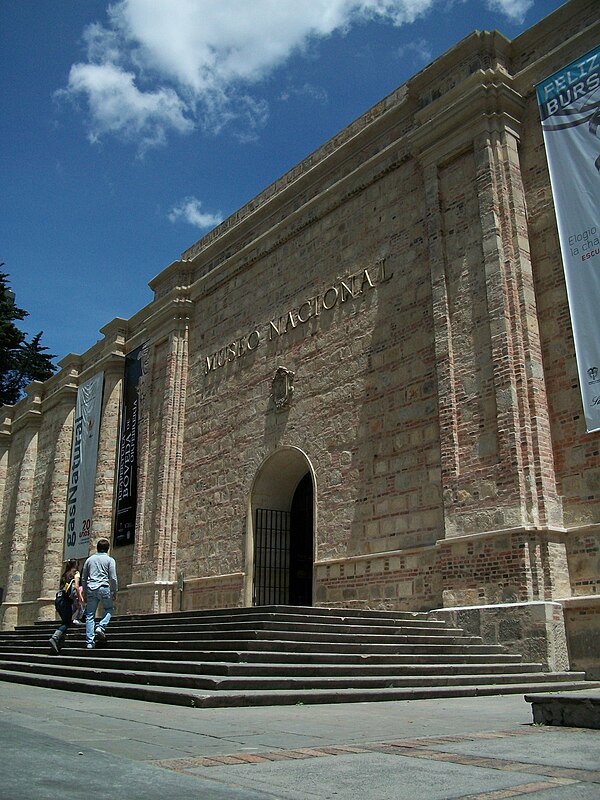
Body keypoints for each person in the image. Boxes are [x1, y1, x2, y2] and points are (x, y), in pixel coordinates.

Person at [81, 538, 118, 650]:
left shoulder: (89, 560)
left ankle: (90, 642)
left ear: (97, 548)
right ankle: (101, 627)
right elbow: (113, 577)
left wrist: (85, 592)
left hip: (91, 588)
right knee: (109, 609)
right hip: (104, 587)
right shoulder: (110, 560)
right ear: (107, 549)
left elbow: (84, 577)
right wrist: (114, 591)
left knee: (90, 615)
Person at [49, 559, 78, 653]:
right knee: (67, 623)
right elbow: (75, 588)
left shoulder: (64, 575)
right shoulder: (74, 574)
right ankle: (55, 637)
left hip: (59, 599)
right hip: (65, 601)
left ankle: (59, 643)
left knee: (65, 621)